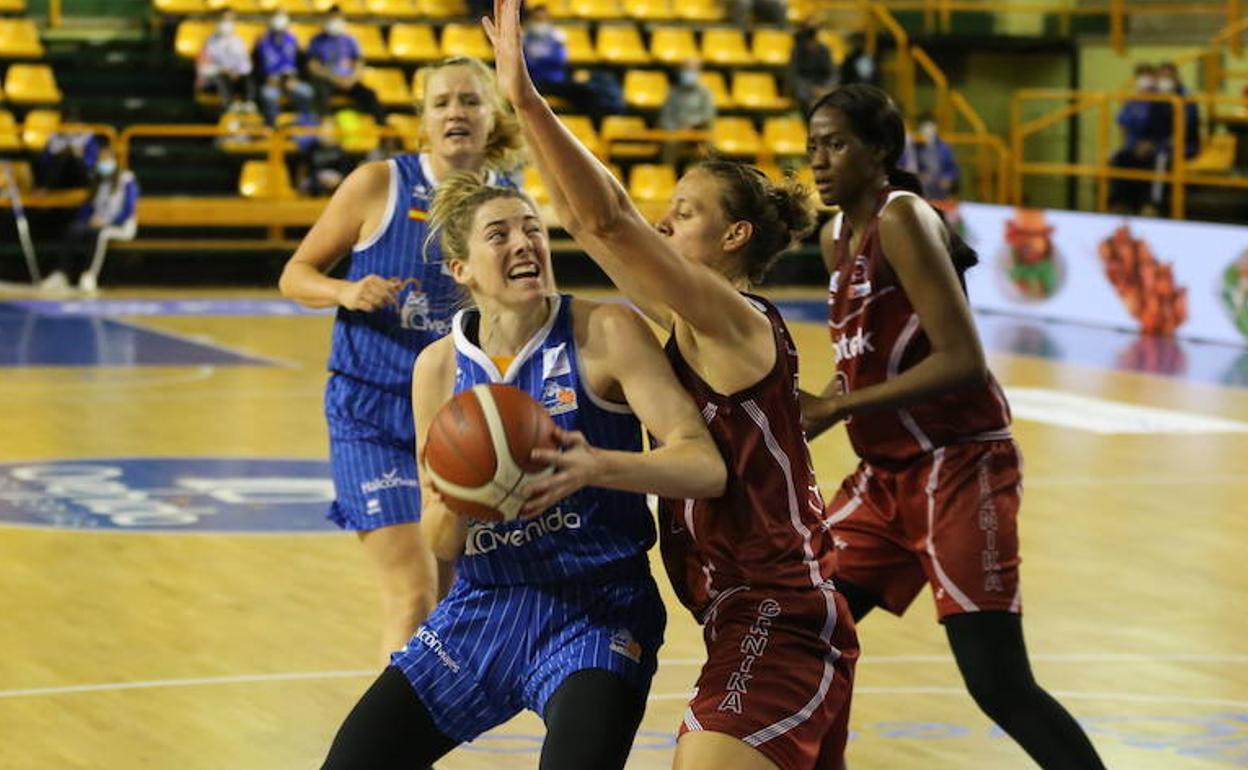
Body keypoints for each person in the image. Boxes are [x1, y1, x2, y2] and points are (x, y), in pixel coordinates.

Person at [485, 2, 859, 768]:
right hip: (750, 614)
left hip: (776, 614)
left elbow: (613, 219)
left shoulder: (736, 320)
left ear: (734, 238)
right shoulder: (692, 323)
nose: (664, 220)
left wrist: (526, 99)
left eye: (684, 213)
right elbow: (589, 225)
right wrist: (530, 125)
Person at [320, 172, 727, 769]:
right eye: (500, 233)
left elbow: (705, 464)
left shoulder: (605, 332)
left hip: (597, 606)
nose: (524, 243)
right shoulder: (437, 368)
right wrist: (470, 490)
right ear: (461, 269)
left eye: (533, 229)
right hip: (483, 605)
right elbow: (439, 538)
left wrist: (597, 465)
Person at [802, 84, 1108, 770]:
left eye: (837, 144)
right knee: (808, 623)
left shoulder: (902, 217)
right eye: (812, 147)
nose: (820, 161)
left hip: (959, 463)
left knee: (997, 682)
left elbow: (964, 361)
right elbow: (865, 372)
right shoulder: (834, 239)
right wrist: (811, 414)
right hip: (886, 476)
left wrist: (841, 407)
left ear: (879, 152)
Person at [278, 56, 520, 662]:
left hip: (453, 419)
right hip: (370, 411)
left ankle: (417, 729)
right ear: (423, 121)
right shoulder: (378, 184)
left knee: (446, 599)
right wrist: (345, 291)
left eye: (470, 100)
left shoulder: (509, 201)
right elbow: (294, 275)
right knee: (411, 595)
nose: (456, 113)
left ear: (493, 116)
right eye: (442, 103)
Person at [38, 146, 138, 293]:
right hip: (96, 222)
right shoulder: (97, 180)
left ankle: (89, 275)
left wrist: (108, 222)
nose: (104, 164)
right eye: (101, 160)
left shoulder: (127, 180)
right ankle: (61, 274)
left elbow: (129, 209)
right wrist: (86, 220)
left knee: (101, 234)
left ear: (115, 161)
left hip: (120, 224)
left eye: (107, 160)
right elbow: (88, 206)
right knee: (74, 229)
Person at [307, 6, 384, 123]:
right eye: (332, 19)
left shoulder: (350, 40)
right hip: (328, 81)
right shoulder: (317, 41)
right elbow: (313, 66)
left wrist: (351, 79)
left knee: (369, 94)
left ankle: (383, 127)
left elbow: (359, 64)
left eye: (338, 19)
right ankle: (322, 125)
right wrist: (334, 78)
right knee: (319, 92)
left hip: (348, 81)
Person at [1109, 62, 1160, 214]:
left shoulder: (1162, 99)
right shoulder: (1133, 101)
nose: (1144, 79)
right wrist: (1127, 145)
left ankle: (1148, 204)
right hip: (1133, 146)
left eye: (1148, 75)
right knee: (1120, 157)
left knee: (1148, 161)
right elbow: (1123, 124)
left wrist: (1150, 144)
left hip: (1153, 147)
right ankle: (1121, 202)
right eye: (1141, 76)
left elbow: (1162, 128)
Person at [254, 11, 315, 127]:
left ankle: (303, 123)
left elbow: (300, 66)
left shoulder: (293, 41)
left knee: (306, 92)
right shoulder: (263, 43)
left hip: (290, 81)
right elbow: (257, 69)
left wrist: (295, 79)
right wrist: (266, 79)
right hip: (271, 82)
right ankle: (272, 125)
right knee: (268, 95)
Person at [196, 11, 255, 114]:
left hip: (236, 77)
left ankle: (248, 103)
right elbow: (203, 68)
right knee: (222, 78)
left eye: (230, 20)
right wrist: (222, 70)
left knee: (248, 77)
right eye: (224, 20)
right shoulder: (209, 43)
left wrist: (237, 72)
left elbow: (246, 65)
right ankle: (229, 106)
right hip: (216, 79)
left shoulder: (238, 41)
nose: (227, 23)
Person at [657, 60, 715, 166]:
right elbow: (666, 117)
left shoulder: (704, 93)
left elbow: (707, 115)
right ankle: (667, 174)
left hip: (697, 133)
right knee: (669, 144)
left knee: (706, 149)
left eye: (693, 70)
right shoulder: (673, 93)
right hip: (676, 133)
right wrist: (677, 129)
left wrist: (691, 124)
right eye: (687, 69)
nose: (689, 73)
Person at [787, 21, 837, 113]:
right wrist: (810, 89)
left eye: (813, 41)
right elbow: (794, 75)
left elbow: (832, 73)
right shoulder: (797, 51)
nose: (811, 45)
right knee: (801, 93)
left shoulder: (824, 50)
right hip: (805, 86)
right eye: (808, 42)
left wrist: (826, 87)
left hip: (822, 84)